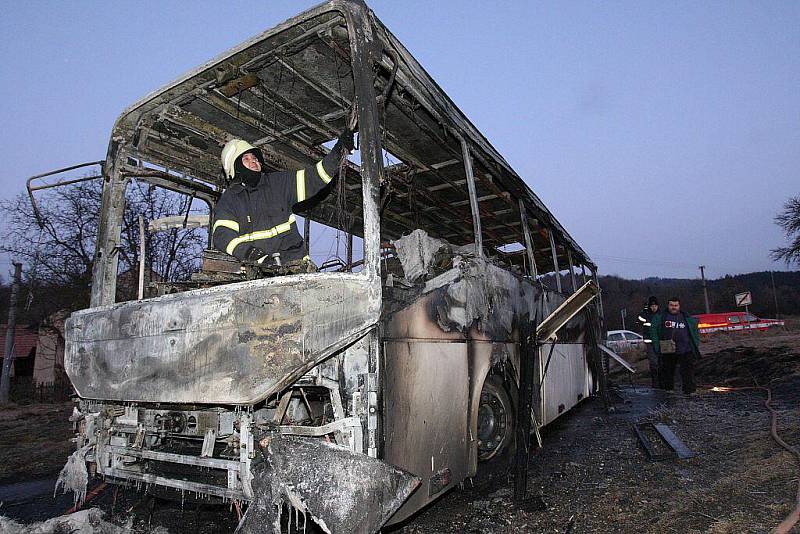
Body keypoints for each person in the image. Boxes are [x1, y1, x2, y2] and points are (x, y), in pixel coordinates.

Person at [211, 128, 355, 265]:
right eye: (246, 159)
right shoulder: (230, 200)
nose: (253, 161)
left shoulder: (278, 183)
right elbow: (222, 237)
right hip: (258, 273)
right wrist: (253, 256)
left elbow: (313, 178)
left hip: (296, 267)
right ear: (234, 167)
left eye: (254, 157)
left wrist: (338, 152)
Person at [649, 297, 701, 394]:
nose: (674, 307)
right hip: (668, 348)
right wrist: (657, 346)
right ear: (668, 305)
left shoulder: (686, 317)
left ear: (679, 306)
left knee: (688, 371)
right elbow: (653, 331)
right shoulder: (660, 317)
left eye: (676, 305)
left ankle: (689, 391)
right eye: (671, 305)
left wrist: (695, 344)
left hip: (686, 348)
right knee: (668, 371)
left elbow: (695, 331)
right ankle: (668, 390)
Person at [637, 296, 660, 388]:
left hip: (659, 341)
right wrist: (645, 311)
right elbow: (639, 320)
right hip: (649, 342)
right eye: (652, 306)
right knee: (653, 362)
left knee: (661, 361)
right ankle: (655, 381)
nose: (654, 307)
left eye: (655, 306)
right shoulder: (645, 314)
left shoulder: (660, 314)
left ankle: (661, 380)